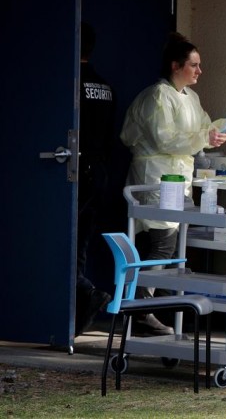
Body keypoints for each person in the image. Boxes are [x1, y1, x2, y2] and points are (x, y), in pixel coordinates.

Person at [120, 32, 226, 336]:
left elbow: (203, 129)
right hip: (156, 177)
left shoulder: (190, 97)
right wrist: (203, 137)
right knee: (161, 243)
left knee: (167, 244)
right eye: (194, 65)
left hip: (177, 179)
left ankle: (146, 308)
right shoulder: (158, 96)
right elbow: (166, 138)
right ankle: (139, 308)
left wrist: (224, 128)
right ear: (175, 65)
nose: (199, 71)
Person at [75, 22, 114, 336]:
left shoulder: (70, 84)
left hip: (76, 173)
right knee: (80, 244)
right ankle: (79, 312)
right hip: (99, 172)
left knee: (63, 243)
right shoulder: (104, 86)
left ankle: (88, 294)